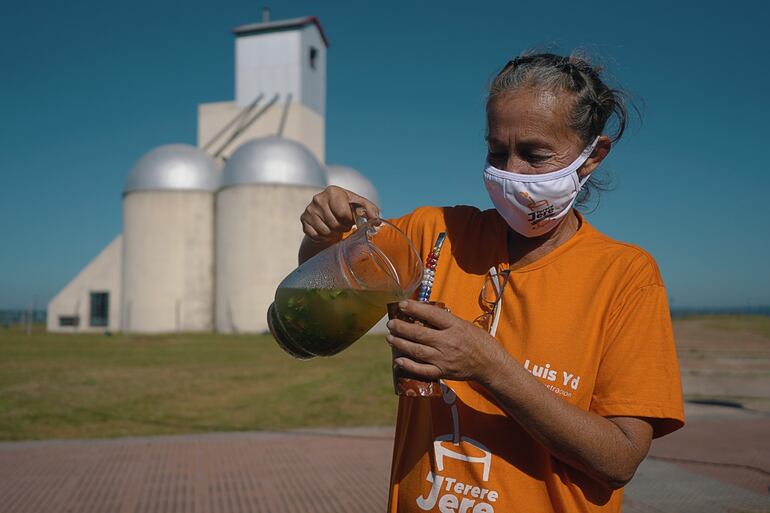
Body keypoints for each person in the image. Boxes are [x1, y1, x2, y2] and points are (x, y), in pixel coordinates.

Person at [298, 52, 684, 513]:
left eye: (535, 155)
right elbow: (323, 294)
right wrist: (322, 235)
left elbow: (619, 459)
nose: (511, 173)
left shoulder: (626, 276)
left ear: (592, 156)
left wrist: (490, 368)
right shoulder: (434, 232)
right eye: (497, 152)